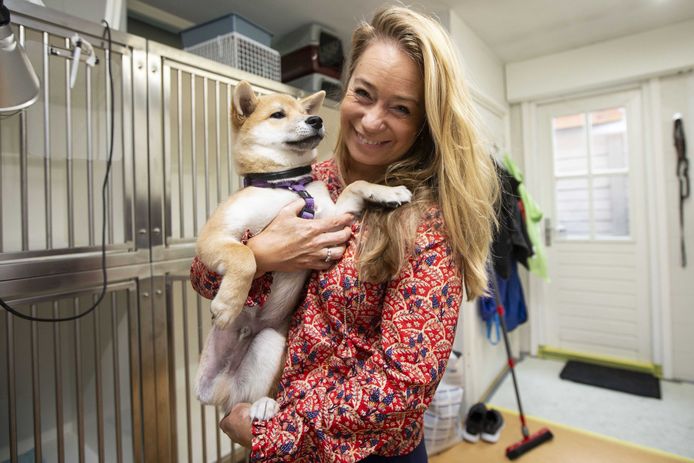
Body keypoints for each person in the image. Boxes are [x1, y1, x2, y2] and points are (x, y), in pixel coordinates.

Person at [189, 5, 498, 462]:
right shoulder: (305, 179)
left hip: (362, 452)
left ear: (425, 123)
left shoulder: (426, 221)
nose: (372, 120)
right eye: (364, 93)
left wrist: (275, 435)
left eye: (400, 108)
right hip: (275, 421)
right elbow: (203, 276)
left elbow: (405, 380)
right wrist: (264, 255)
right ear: (346, 88)